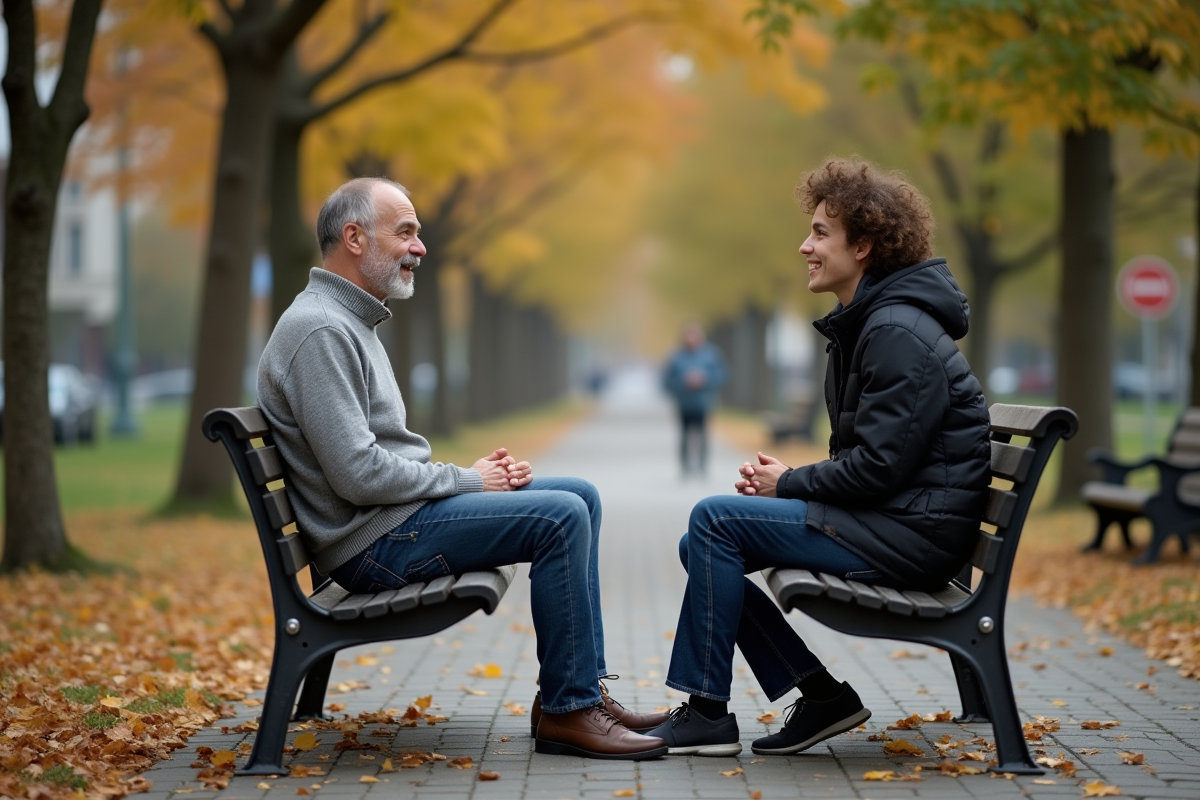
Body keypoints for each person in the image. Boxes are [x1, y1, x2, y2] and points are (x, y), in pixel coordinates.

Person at [257, 177, 669, 760]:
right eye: (405, 232)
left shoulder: (348, 321)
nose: (419, 247)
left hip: (394, 521)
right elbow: (358, 476)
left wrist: (465, 476)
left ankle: (581, 692)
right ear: (354, 237)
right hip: (371, 543)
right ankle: (568, 711)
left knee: (581, 494)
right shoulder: (322, 331)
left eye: (418, 234)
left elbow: (378, 461)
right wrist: (472, 480)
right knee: (559, 517)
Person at [646, 157, 991, 757]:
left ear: (864, 246)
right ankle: (820, 693)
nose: (804, 245)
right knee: (702, 541)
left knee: (712, 522)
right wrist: (793, 483)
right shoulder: (874, 324)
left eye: (820, 233)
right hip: (903, 524)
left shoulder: (896, 332)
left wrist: (790, 483)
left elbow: (880, 466)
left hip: (913, 537)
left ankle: (707, 713)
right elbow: (881, 459)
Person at [662, 323, 727, 475]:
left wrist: (705, 379)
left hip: (703, 402)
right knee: (684, 434)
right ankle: (685, 466)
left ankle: (702, 466)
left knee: (703, 434)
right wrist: (683, 382)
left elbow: (722, 375)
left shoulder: (711, 354)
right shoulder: (676, 356)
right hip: (684, 403)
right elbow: (666, 381)